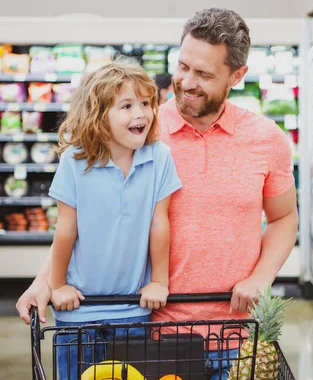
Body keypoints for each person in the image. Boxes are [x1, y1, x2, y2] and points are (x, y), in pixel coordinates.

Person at [17, 8, 298, 380]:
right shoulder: (139, 130)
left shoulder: (267, 139)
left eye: (204, 74)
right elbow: (91, 220)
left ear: (238, 75)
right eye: (182, 66)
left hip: (236, 331)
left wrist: (262, 276)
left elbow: (283, 218)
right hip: (154, 329)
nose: (186, 82)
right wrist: (45, 282)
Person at [45, 62, 182, 380]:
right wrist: (57, 285)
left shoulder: (159, 157)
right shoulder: (75, 160)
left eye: (146, 103)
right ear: (98, 115)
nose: (141, 114)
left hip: (133, 312)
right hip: (77, 313)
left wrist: (159, 280)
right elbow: (66, 228)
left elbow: (158, 223)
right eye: (127, 105)